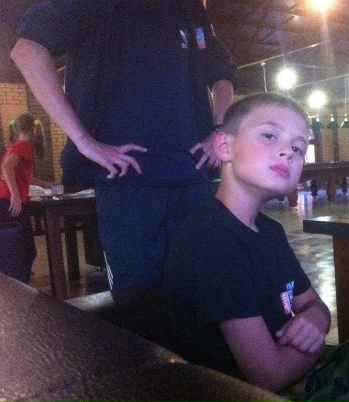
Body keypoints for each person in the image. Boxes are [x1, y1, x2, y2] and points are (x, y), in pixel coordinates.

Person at [164, 93, 349, 401]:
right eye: (269, 135)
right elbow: (268, 375)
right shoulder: (212, 241)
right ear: (224, 146)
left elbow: (314, 305)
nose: (287, 151)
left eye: (299, 147)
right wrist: (316, 345)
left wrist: (315, 318)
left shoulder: (269, 231)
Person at [11, 0, 237, 290]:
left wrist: (220, 128)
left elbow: (222, 71)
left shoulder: (190, 8)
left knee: (202, 290)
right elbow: (27, 50)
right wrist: (83, 140)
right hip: (126, 183)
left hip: (192, 177)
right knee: (138, 300)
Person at [0, 113, 57, 283]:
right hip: (10, 202)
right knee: (25, 250)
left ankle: (16, 283)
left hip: (4, 201)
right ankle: (20, 285)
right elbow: (7, 167)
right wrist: (16, 196)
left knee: (18, 248)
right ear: (35, 129)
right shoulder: (24, 145)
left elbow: (23, 175)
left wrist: (46, 184)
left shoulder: (15, 146)